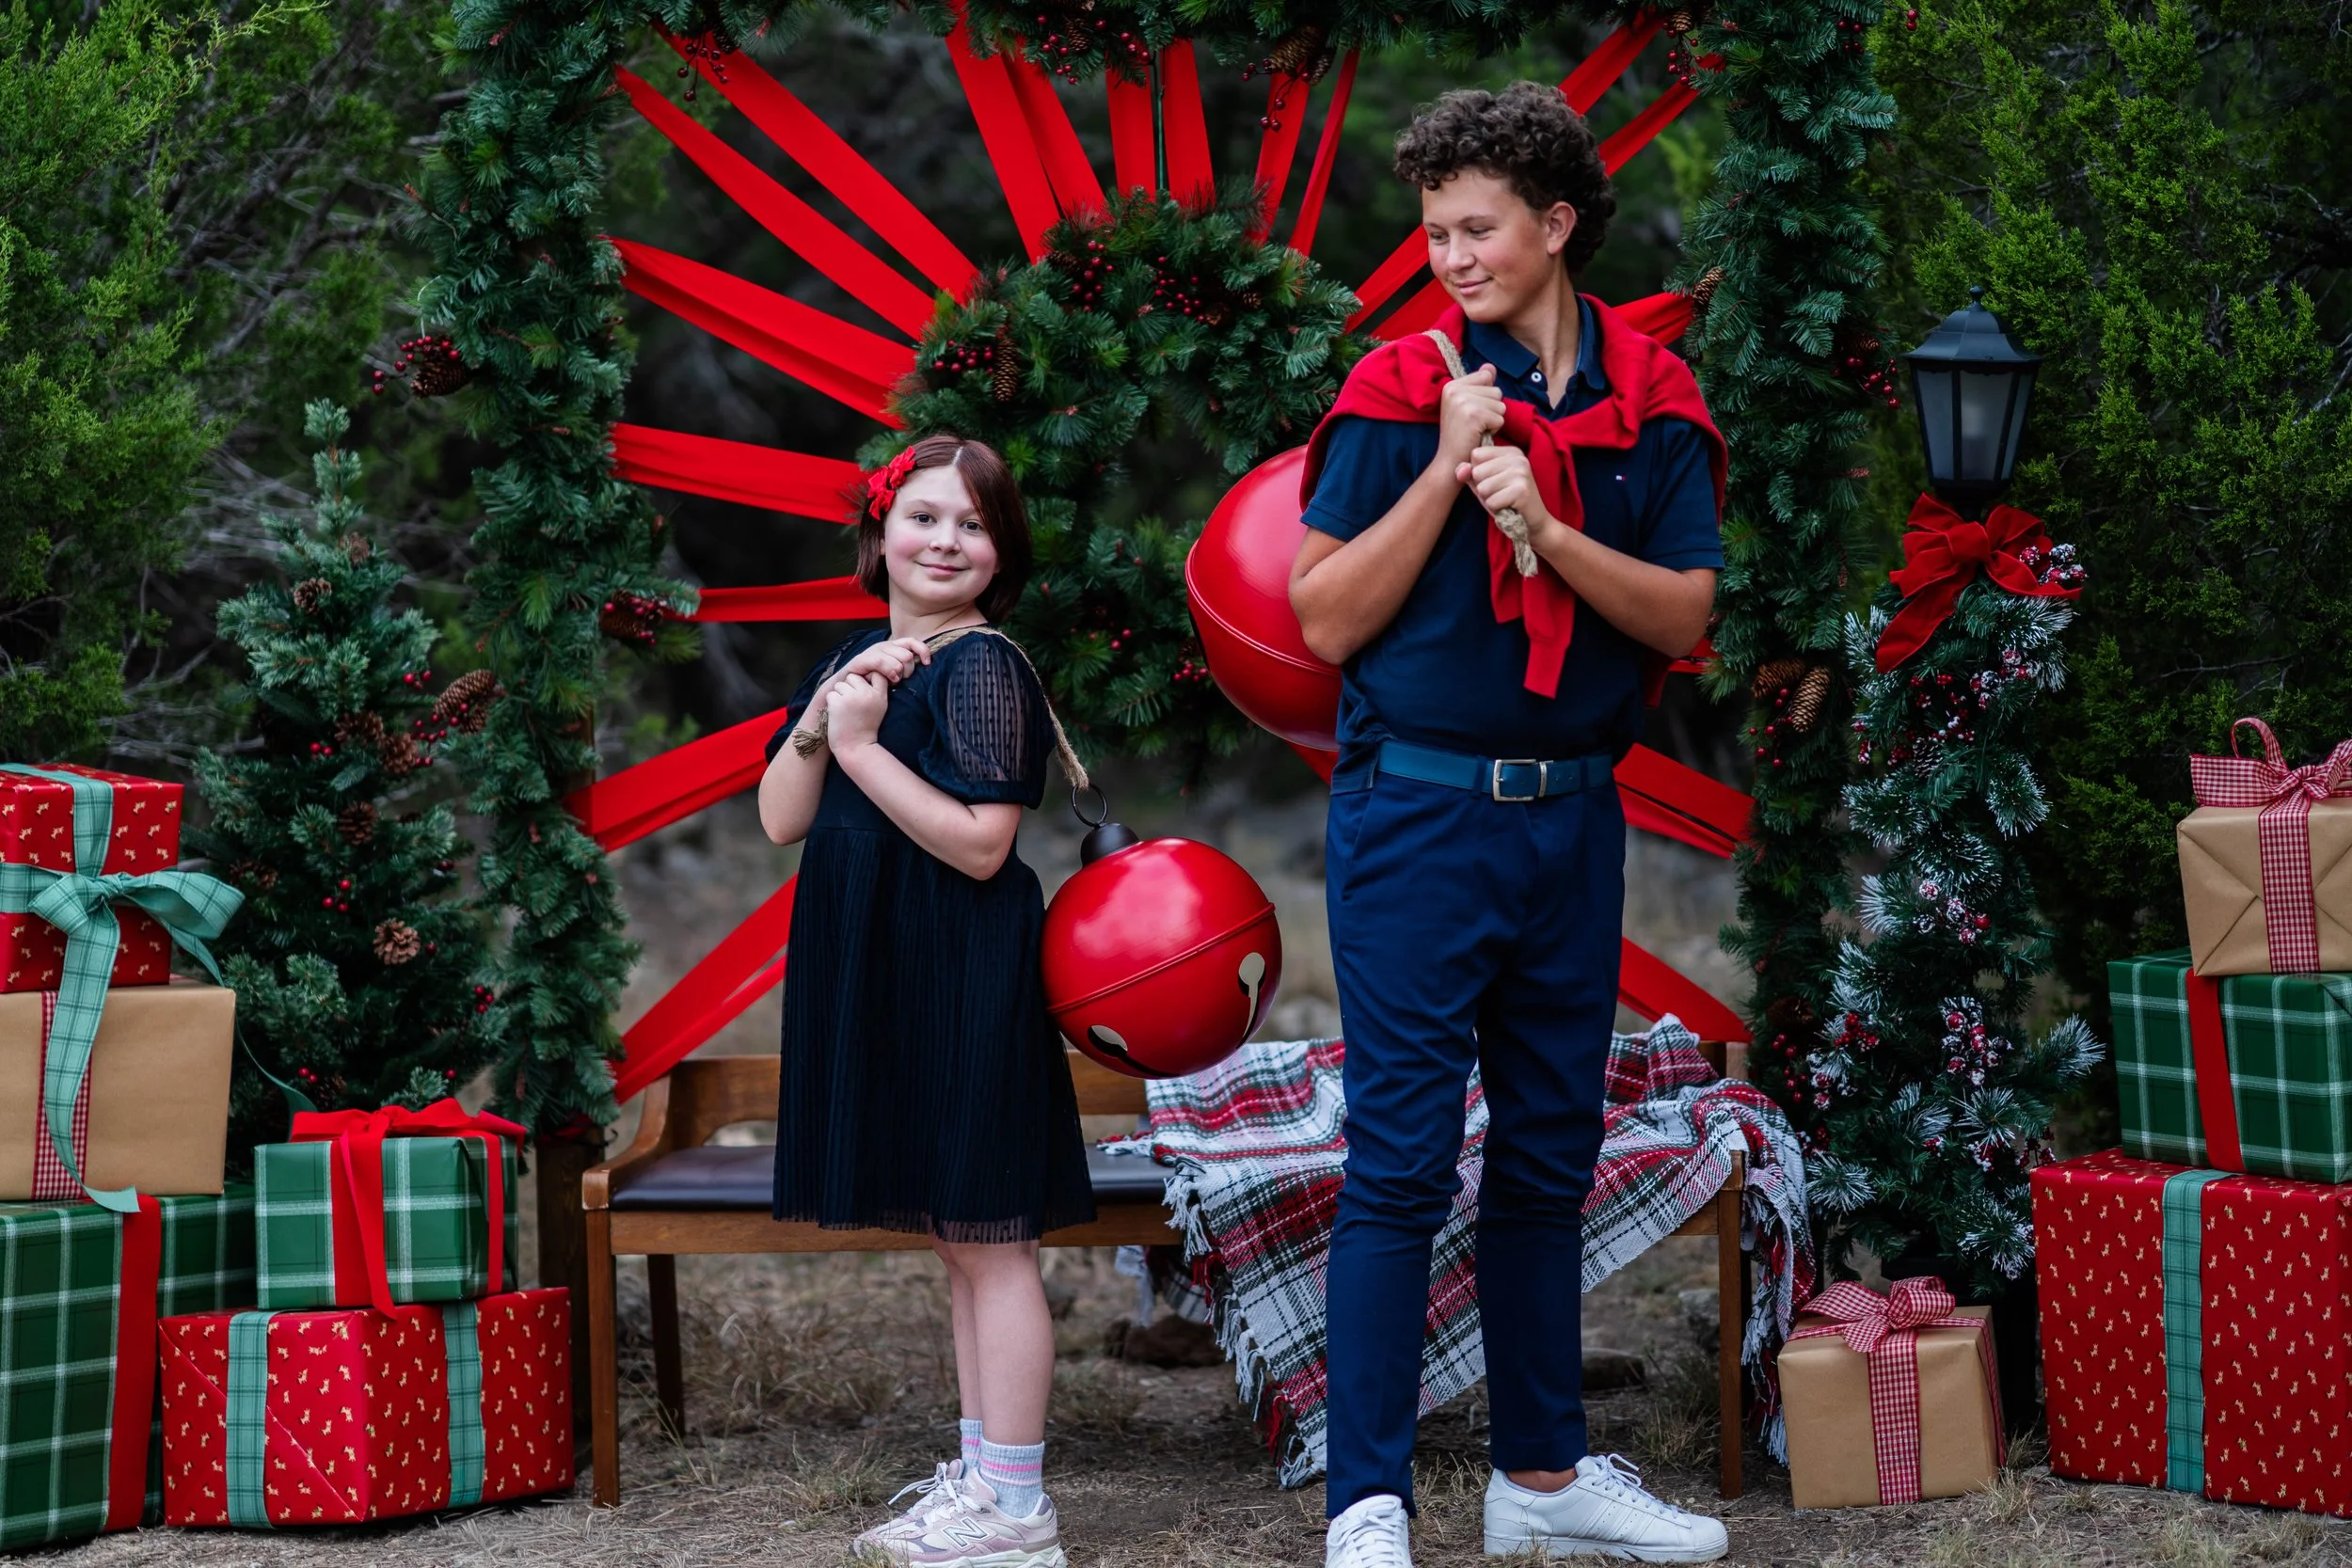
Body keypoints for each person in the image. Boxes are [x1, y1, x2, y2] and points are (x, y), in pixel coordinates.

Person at [1289, 82, 1733, 1566]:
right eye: (1435, 233)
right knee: (1402, 1163)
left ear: (1556, 224)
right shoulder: (1396, 385)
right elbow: (1323, 614)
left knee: (1548, 1154)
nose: (1452, 258)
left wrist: (1546, 527)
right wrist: (1443, 464)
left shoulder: (1654, 399)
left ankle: (1541, 1477)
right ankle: (1366, 1502)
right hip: (1418, 816)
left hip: (1572, 822)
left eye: (1477, 229)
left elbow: (1681, 613)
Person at [756, 434, 1092, 1568]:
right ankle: (981, 1476)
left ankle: (1017, 1508)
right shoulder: (859, 657)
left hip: (961, 964)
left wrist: (859, 747)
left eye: (973, 524)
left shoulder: (983, 664)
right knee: (959, 1236)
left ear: (1002, 552)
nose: (945, 541)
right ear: (882, 530)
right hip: (884, 963)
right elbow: (779, 816)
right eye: (925, 516)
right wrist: (828, 713)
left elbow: (982, 843)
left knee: (992, 1237)